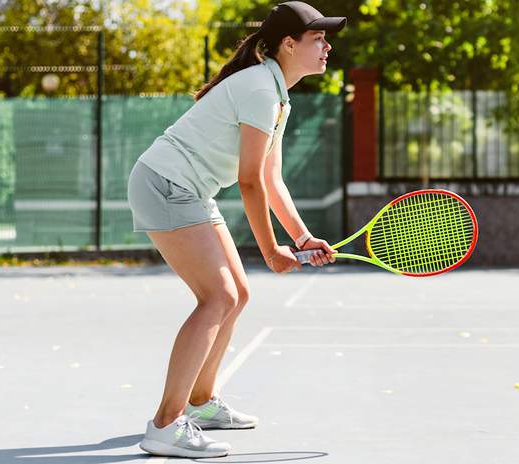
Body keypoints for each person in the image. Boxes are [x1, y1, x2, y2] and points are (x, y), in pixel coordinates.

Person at [127, 1, 346, 459]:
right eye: (317, 38)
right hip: (166, 185)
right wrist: (271, 252)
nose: (327, 46)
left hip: (187, 189)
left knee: (237, 294)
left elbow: (271, 179)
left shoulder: (277, 93)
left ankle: (202, 402)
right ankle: (165, 425)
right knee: (219, 297)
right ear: (289, 44)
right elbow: (247, 180)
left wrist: (302, 239)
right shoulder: (260, 90)